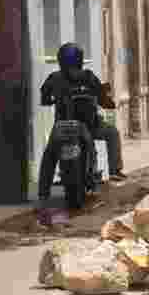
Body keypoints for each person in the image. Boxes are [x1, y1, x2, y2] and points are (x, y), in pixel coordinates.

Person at [36, 43, 125, 222]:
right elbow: (103, 99)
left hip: (62, 126)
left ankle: (43, 193)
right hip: (89, 127)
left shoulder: (54, 78)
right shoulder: (88, 77)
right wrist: (108, 102)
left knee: (49, 156)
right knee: (112, 133)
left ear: (60, 60)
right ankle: (115, 170)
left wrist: (49, 100)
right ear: (80, 60)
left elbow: (44, 96)